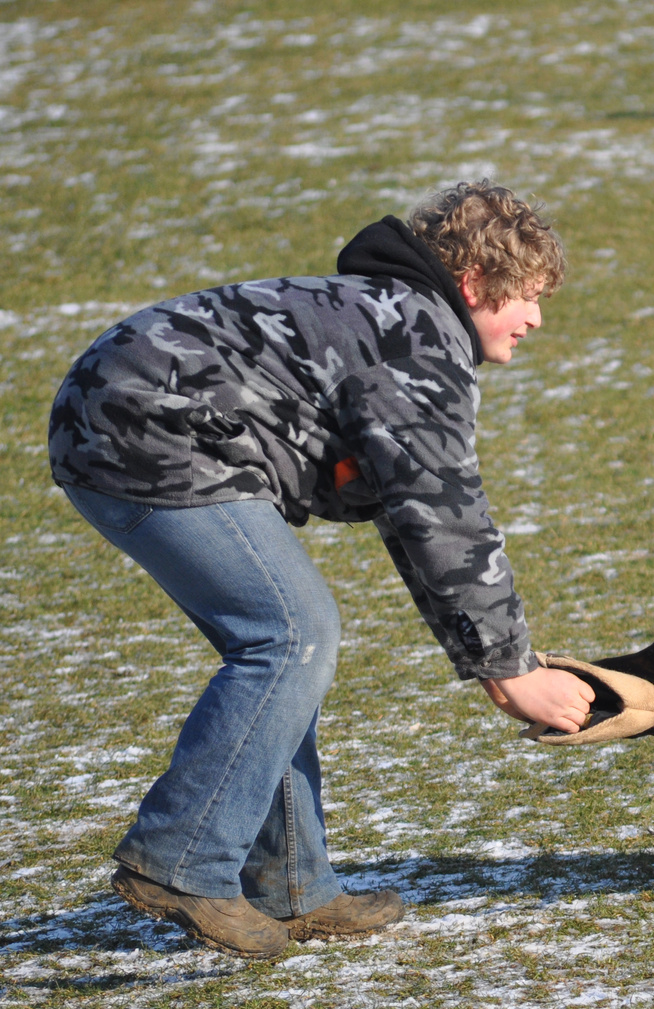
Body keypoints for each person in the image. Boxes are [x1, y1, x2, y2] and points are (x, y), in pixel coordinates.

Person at [47, 181, 594, 958]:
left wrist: (496, 662)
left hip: (110, 429)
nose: (537, 318)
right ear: (475, 283)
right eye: (528, 297)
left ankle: (292, 886)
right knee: (292, 632)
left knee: (279, 645)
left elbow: (415, 517)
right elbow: (445, 514)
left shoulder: (384, 314)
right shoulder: (418, 337)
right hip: (149, 440)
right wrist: (509, 670)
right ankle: (182, 860)